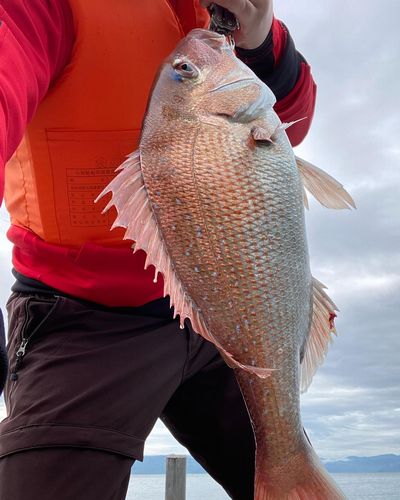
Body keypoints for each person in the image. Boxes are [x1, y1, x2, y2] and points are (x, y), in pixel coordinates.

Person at [0, 1, 316, 499]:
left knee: (285, 451)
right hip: (85, 313)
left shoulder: (225, 12)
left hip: (233, 307)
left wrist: (256, 38)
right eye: (188, 69)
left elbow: (292, 126)